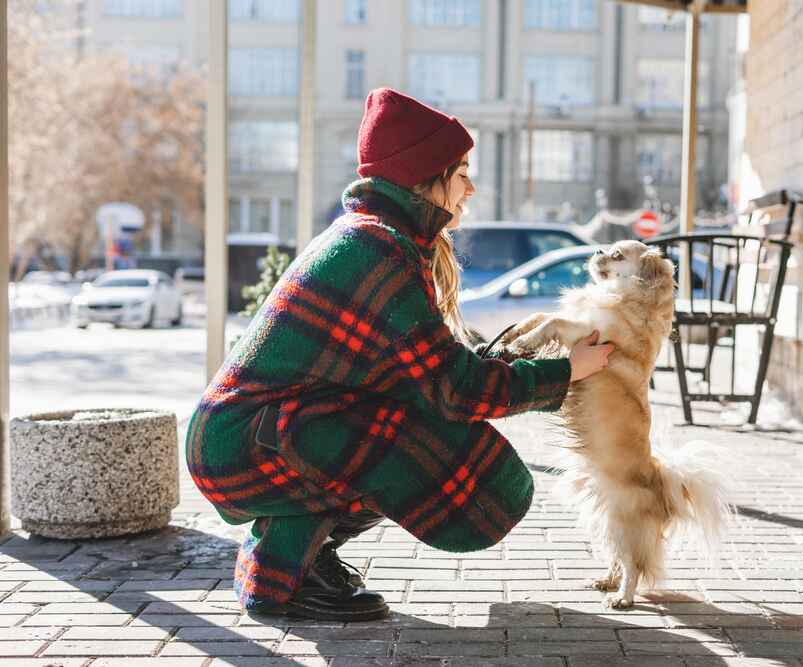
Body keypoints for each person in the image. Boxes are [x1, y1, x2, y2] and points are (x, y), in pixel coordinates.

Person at [185, 88, 614, 622]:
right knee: (414, 447)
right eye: (461, 172)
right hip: (244, 442)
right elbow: (454, 389)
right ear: (426, 177)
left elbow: (434, 371)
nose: (471, 187)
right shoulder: (377, 248)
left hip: (252, 435)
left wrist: (533, 358)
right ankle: (286, 582)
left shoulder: (376, 237)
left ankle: (292, 561)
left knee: (397, 433)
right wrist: (566, 373)